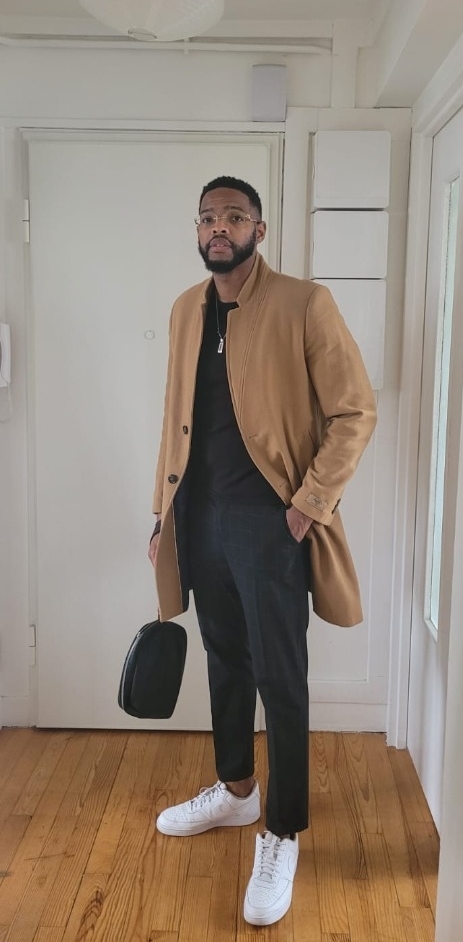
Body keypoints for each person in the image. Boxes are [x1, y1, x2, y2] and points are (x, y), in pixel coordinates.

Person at [148, 176, 377, 927]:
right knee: (225, 658)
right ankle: (237, 791)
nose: (220, 228)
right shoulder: (186, 308)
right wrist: (162, 513)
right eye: (208, 218)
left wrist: (309, 505)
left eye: (235, 217)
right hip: (201, 515)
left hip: (272, 521)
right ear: (198, 230)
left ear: (260, 229)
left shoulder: (305, 304)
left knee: (280, 676)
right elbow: (174, 421)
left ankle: (282, 830)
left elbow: (355, 411)